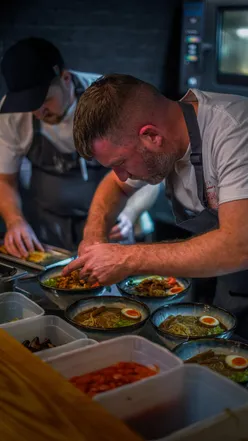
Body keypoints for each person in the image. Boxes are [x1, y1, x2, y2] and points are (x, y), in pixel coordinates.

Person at [63, 73, 248, 340]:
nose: (122, 175)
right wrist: (94, 240)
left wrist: (125, 258)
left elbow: (238, 244)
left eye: (121, 163)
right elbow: (112, 186)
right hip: (225, 282)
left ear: (151, 136)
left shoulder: (233, 130)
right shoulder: (168, 137)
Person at [0, 40, 159, 257]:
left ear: (65, 78)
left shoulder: (113, 103)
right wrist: (14, 221)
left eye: (45, 100)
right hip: (49, 227)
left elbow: (152, 173)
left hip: (112, 224)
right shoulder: (12, 115)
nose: (38, 112)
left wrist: (129, 214)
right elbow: (4, 179)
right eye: (29, 105)